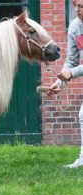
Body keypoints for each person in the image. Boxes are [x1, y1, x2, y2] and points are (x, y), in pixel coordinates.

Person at [48, 0, 83, 168]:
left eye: (82, 6)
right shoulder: (75, 27)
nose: (77, 9)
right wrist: (59, 83)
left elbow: (73, 69)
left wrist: (72, 73)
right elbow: (71, 60)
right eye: (75, 5)